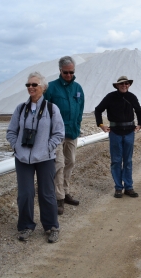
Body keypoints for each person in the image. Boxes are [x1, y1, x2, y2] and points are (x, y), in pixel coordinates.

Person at [6, 72, 64, 244]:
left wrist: (47, 147)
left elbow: (59, 133)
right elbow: (11, 131)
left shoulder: (52, 109)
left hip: (45, 158)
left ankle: (51, 226)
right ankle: (25, 226)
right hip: (23, 158)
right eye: (28, 85)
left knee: (47, 194)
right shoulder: (20, 109)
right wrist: (16, 146)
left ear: (43, 88)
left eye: (34, 85)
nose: (30, 87)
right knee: (25, 193)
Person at [44, 56, 84, 215]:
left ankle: (65, 191)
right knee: (59, 164)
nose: (69, 75)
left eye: (71, 72)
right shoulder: (51, 88)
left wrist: (78, 125)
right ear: (60, 71)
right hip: (56, 135)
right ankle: (58, 198)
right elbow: (44, 110)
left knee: (71, 162)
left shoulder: (78, 88)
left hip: (72, 132)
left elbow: (80, 110)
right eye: (66, 72)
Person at [94, 76, 141, 198]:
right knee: (116, 161)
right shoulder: (110, 97)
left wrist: (140, 124)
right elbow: (98, 110)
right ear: (117, 85)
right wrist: (101, 125)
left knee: (128, 161)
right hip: (115, 133)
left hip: (129, 133)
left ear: (129, 85)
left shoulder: (132, 97)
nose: (124, 85)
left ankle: (129, 187)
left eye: (126, 83)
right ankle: (118, 188)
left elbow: (138, 111)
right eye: (121, 83)